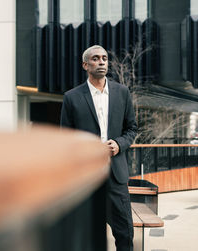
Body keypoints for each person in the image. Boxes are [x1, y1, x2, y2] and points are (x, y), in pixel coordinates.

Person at [60, 45, 137, 251]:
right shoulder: (72, 97)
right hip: (86, 177)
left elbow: (132, 129)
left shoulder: (122, 93)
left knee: (125, 233)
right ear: (85, 65)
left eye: (104, 58)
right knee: (87, 237)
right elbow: (67, 139)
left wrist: (119, 144)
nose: (101, 62)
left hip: (116, 175)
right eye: (95, 58)